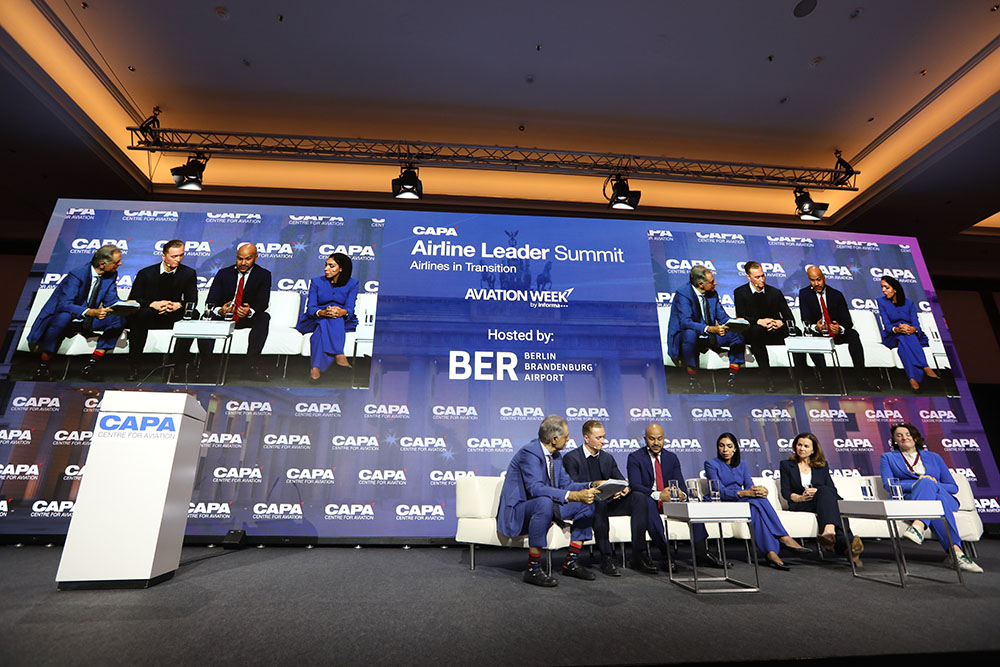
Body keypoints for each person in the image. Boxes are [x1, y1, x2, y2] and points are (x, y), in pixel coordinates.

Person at [496, 415, 599, 587]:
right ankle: (533, 568)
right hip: (521, 510)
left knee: (586, 503)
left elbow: (567, 485)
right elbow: (535, 489)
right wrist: (573, 495)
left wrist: (591, 484)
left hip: (547, 505)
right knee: (544, 502)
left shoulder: (556, 456)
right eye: (566, 436)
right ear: (554, 439)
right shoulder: (529, 453)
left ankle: (571, 562)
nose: (568, 439)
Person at [626, 423, 730, 573]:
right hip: (650, 500)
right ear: (645, 439)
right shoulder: (635, 457)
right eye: (652, 439)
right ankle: (666, 554)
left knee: (692, 503)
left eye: (659, 439)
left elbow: (680, 484)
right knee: (647, 501)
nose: (656, 443)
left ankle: (701, 552)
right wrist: (658, 495)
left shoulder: (671, 458)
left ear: (664, 439)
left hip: (670, 500)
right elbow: (635, 485)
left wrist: (682, 495)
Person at [880, 422, 982, 573]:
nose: (904, 438)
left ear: (915, 438)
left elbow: (952, 487)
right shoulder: (888, 458)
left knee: (930, 486)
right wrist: (918, 484)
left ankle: (918, 525)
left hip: (942, 496)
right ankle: (956, 553)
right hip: (911, 498)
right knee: (937, 499)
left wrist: (932, 484)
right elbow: (889, 485)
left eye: (908, 434)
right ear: (894, 441)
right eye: (899, 436)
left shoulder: (935, 457)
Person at [704, 433, 808, 570]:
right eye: (721, 446)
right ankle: (783, 537)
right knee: (756, 502)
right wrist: (746, 493)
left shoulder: (742, 464)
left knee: (757, 503)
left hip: (741, 501)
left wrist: (760, 491)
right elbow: (718, 490)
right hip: (722, 501)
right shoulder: (711, 464)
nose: (725, 450)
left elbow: (749, 485)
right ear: (717, 448)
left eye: (729, 446)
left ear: (735, 449)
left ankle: (771, 553)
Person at [562, 419, 648, 577]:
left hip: (610, 503)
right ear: (586, 438)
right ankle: (606, 557)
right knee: (598, 502)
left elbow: (621, 480)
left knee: (639, 498)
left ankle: (638, 555)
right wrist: (596, 489)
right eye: (598, 437)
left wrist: (624, 489)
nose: (603, 441)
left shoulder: (607, 458)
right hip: (588, 504)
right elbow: (573, 486)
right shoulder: (571, 458)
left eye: (603, 437)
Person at [27, 244, 125, 381]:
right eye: (116, 262)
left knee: (118, 319)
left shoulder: (111, 275)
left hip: (87, 319)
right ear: (102, 264)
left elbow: (111, 300)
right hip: (68, 315)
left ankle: (91, 366)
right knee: (62, 318)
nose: (120, 264)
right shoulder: (77, 274)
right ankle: (43, 366)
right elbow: (65, 305)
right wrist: (91, 312)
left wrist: (125, 306)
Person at [779, 432, 864, 566]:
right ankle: (846, 544)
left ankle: (835, 539)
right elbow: (786, 492)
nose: (801, 448)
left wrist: (818, 492)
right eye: (799, 445)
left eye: (806, 446)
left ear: (813, 450)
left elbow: (832, 489)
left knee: (825, 491)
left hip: (822, 502)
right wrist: (800, 498)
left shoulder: (822, 465)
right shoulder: (786, 465)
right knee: (834, 504)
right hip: (801, 503)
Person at [797, 265, 880, 392]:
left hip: (836, 333)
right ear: (809, 280)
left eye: (818, 279)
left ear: (824, 279)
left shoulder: (836, 294)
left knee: (853, 334)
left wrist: (839, 328)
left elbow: (847, 321)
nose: (816, 283)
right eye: (812, 280)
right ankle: (826, 381)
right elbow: (805, 318)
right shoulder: (804, 294)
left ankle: (861, 379)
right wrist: (816, 327)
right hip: (819, 333)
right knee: (808, 337)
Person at [125, 240, 198, 381]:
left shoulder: (188, 273)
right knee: (140, 315)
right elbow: (134, 299)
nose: (178, 259)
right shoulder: (146, 273)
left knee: (193, 314)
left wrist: (178, 305)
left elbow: (192, 300)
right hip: (150, 313)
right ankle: (134, 366)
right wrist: (152, 304)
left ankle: (177, 365)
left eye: (181, 255)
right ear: (163, 256)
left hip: (172, 314)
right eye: (174, 256)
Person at [666, 264, 746, 392]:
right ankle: (693, 381)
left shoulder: (712, 294)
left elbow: (723, 317)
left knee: (736, 334)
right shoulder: (683, 294)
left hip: (708, 335)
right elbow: (685, 323)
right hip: (687, 336)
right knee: (689, 333)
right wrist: (710, 329)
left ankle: (732, 379)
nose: (715, 283)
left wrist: (735, 323)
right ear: (700, 284)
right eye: (712, 281)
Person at [199, 243, 271, 381]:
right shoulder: (223, 273)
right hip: (224, 315)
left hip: (246, 317)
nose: (243, 263)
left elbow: (263, 302)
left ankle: (249, 369)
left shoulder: (263, 275)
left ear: (255, 258)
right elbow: (211, 300)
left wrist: (249, 311)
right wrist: (220, 310)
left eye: (248, 259)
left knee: (264, 318)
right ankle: (206, 369)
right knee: (205, 317)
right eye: (240, 259)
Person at [295, 252, 359, 383]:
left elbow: (350, 307)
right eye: (325, 265)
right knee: (328, 319)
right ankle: (339, 354)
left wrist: (341, 312)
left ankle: (315, 370)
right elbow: (311, 308)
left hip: (341, 320)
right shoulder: (316, 282)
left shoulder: (353, 283)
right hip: (314, 319)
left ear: (341, 268)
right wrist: (323, 312)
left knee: (322, 329)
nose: (326, 269)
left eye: (331, 266)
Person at [733, 261, 795, 392]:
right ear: (748, 277)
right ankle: (768, 378)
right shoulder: (740, 292)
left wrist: (780, 322)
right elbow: (741, 317)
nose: (761, 280)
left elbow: (789, 317)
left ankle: (802, 377)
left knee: (797, 331)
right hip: (754, 331)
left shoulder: (775, 292)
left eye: (762, 276)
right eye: (757, 277)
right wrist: (758, 321)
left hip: (774, 330)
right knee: (756, 331)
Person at [876, 275, 938, 392]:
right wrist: (897, 329)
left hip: (911, 335)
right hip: (892, 336)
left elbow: (916, 324)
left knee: (903, 347)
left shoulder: (909, 303)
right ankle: (925, 367)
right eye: (882, 287)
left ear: (895, 289)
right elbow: (887, 324)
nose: (883, 290)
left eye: (886, 287)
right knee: (904, 336)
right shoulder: (881, 302)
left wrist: (912, 329)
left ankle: (913, 379)